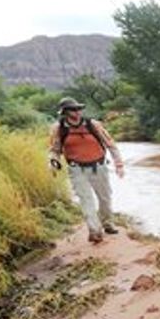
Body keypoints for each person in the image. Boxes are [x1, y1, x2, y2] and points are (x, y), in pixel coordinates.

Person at [47, 97, 125, 243]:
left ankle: (107, 223)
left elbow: (110, 144)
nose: (77, 112)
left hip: (99, 167)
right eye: (72, 110)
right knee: (86, 200)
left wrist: (119, 164)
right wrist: (53, 161)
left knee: (105, 198)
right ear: (65, 112)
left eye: (78, 109)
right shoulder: (58, 128)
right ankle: (94, 231)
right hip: (77, 169)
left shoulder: (93, 125)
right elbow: (54, 150)